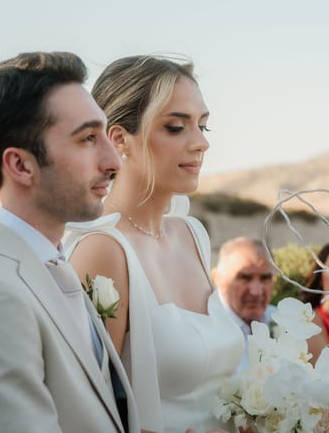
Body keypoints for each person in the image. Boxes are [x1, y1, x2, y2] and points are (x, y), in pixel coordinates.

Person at [0, 51, 140, 433]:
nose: (113, 161)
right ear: (20, 165)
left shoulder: (45, 263)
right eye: (87, 138)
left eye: (104, 134)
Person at [65, 55, 243, 433]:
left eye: (203, 126)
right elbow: (88, 411)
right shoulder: (102, 251)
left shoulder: (192, 234)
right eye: (176, 127)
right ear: (119, 139)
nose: (201, 144)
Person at [211, 236, 275, 374]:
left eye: (265, 278)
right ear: (217, 279)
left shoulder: (283, 322)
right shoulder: (205, 330)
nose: (256, 291)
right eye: (244, 277)